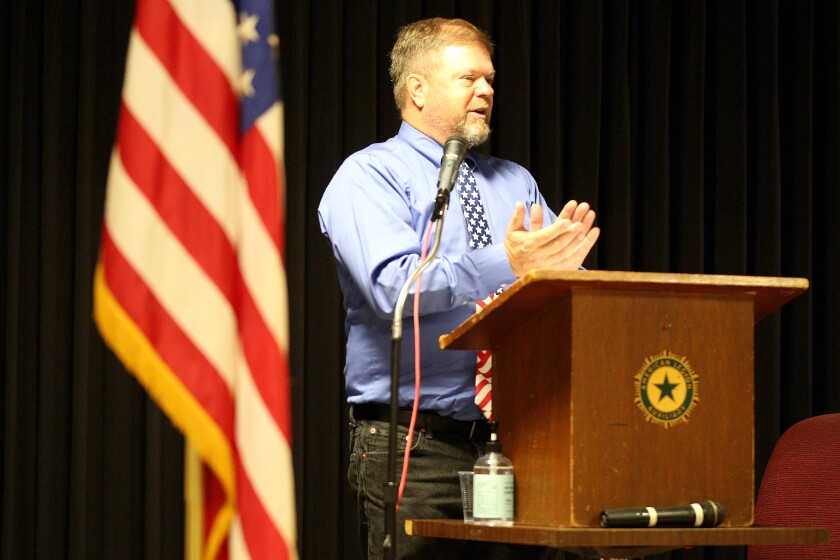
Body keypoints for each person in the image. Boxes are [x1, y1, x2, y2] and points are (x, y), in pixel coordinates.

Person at [318, 17, 600, 560]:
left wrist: (573, 282)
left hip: (521, 442)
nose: (487, 90)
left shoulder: (514, 181)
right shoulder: (368, 176)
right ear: (416, 89)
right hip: (414, 448)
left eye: (490, 80)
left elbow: (546, 287)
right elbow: (393, 289)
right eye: (469, 78)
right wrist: (508, 261)